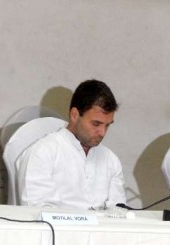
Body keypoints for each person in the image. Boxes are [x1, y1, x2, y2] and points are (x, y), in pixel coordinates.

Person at [16, 79, 127, 210]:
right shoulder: (42, 154)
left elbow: (119, 213)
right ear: (74, 115)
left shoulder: (111, 161)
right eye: (96, 124)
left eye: (107, 125)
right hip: (57, 230)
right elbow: (38, 214)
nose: (102, 132)